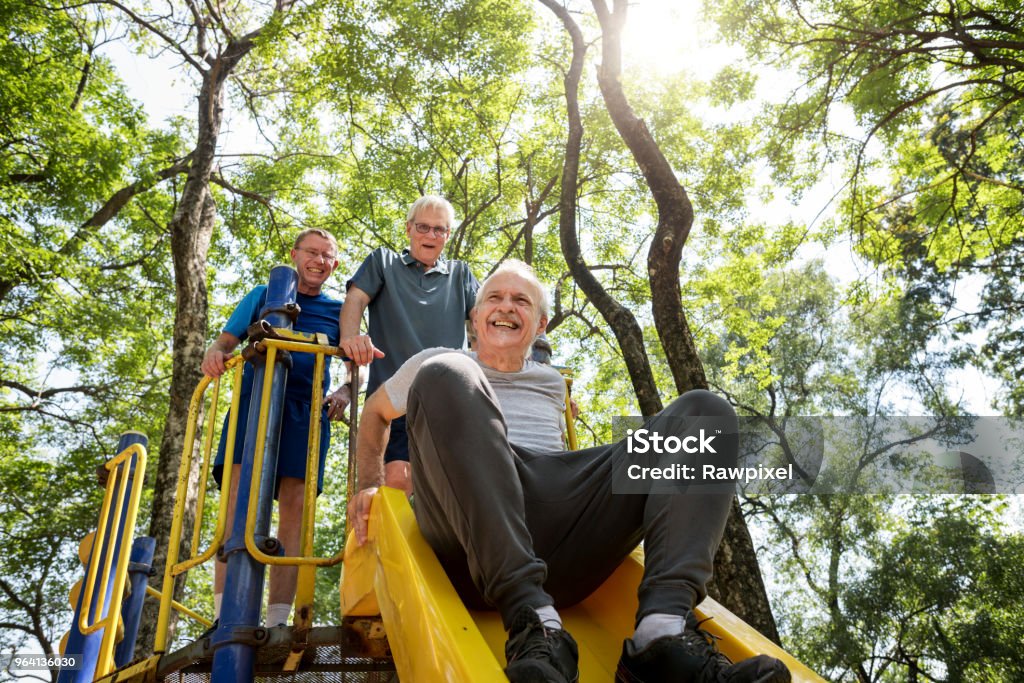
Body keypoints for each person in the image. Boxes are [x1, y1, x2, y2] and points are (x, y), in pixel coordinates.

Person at [347, 260, 791, 683]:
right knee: (447, 372)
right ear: (475, 316)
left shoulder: (552, 381)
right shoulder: (439, 363)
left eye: (521, 301)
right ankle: (534, 624)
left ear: (540, 325)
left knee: (705, 414)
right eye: (494, 298)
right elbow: (375, 414)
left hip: (562, 530)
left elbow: (565, 467)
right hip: (469, 532)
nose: (506, 306)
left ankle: (662, 634)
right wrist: (370, 485)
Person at [202, 228, 352, 629]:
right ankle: (224, 616)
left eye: (327, 256)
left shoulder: (340, 310)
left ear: (334, 265)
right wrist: (214, 356)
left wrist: (345, 391)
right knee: (238, 500)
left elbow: (355, 369)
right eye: (312, 253)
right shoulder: (261, 295)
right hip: (255, 404)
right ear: (295, 254)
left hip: (306, 410)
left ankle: (278, 619)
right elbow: (223, 343)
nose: (319, 261)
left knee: (295, 508)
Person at [339, 195, 479, 494]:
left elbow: (484, 323)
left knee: (450, 493)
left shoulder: (461, 274)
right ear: (408, 229)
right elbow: (355, 300)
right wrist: (351, 337)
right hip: (393, 400)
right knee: (395, 483)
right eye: (423, 227)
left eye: (439, 229)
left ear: (448, 235)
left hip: (448, 402)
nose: (430, 235)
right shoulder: (383, 262)